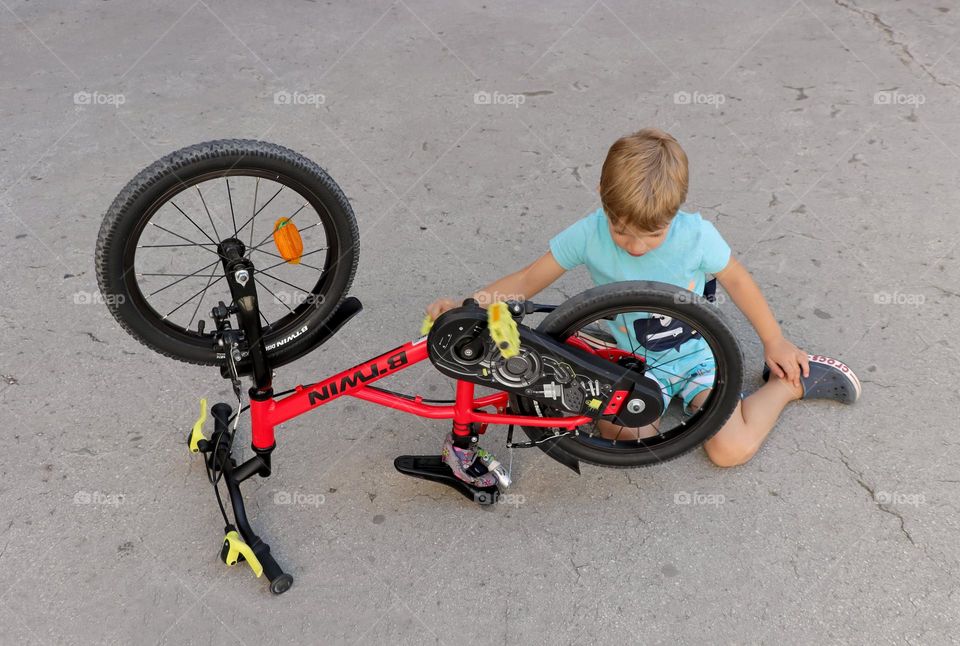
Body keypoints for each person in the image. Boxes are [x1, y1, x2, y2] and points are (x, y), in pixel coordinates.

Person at [427, 128, 860, 487]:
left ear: (675, 213)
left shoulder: (696, 237)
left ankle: (787, 388)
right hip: (631, 360)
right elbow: (525, 281)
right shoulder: (589, 232)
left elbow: (739, 281)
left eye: (650, 236)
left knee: (730, 450)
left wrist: (774, 340)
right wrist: (467, 307)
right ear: (602, 198)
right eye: (620, 230)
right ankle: (608, 360)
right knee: (629, 436)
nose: (634, 246)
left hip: (696, 357)